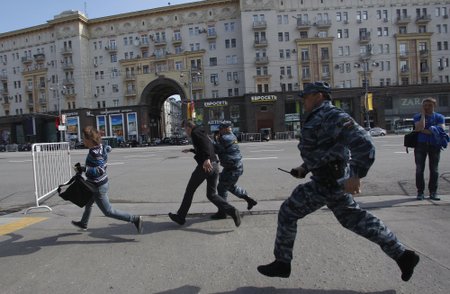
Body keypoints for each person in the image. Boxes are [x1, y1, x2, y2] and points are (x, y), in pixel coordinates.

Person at [257, 81, 419, 282]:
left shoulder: (332, 115)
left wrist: (356, 174)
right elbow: (323, 149)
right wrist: (304, 168)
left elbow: (365, 144)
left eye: (306, 97)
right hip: (326, 179)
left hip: (330, 181)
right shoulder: (318, 116)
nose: (304, 101)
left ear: (319, 96)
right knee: (355, 219)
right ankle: (403, 255)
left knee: (289, 212)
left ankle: (282, 263)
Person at [168, 120, 241, 227]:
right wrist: (192, 150)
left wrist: (206, 159)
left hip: (206, 166)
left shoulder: (195, 132)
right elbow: (207, 147)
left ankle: (181, 216)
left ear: (189, 127)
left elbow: (206, 145)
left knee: (190, 190)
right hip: (214, 165)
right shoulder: (202, 132)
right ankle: (232, 210)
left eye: (185, 129)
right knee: (211, 194)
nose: (185, 132)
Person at [71, 126, 144, 234]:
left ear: (90, 140)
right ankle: (83, 223)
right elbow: (108, 148)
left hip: (98, 186)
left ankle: (135, 219)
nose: (82, 140)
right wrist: (107, 149)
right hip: (95, 183)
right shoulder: (101, 146)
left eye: (83, 138)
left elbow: (100, 169)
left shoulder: (94, 152)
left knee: (108, 211)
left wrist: (84, 169)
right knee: (88, 203)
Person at [210, 122, 257, 219]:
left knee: (221, 188)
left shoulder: (224, 138)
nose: (220, 131)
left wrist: (209, 139)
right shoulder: (232, 136)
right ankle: (248, 199)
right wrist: (216, 139)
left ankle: (222, 212)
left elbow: (216, 149)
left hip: (232, 169)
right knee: (229, 186)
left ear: (227, 128)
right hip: (235, 167)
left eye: (221, 129)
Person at [413, 97, 445, 200]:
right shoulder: (417, 116)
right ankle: (420, 192)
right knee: (419, 169)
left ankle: (433, 192)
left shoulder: (439, 117)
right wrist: (423, 115)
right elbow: (419, 128)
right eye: (425, 105)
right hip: (420, 145)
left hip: (434, 146)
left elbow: (441, 130)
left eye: (429, 105)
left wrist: (426, 130)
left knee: (434, 169)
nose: (427, 107)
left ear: (434, 106)